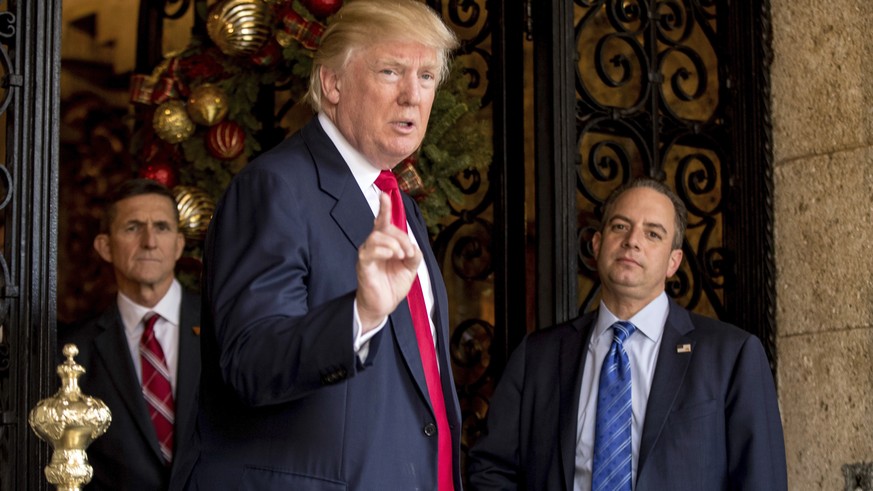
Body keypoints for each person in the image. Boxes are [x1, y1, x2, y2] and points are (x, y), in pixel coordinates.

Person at [185, 1, 462, 489]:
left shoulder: (400, 205)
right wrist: (361, 315)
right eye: (390, 71)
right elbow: (249, 361)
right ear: (332, 84)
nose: (412, 96)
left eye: (425, 77)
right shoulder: (274, 186)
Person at [467, 177, 788, 490]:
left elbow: (761, 480)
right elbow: (492, 468)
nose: (632, 240)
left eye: (653, 234)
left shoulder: (731, 355)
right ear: (596, 243)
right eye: (620, 226)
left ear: (673, 262)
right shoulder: (537, 356)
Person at [58, 178, 201, 491]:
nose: (149, 241)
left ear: (178, 245)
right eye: (133, 227)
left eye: (162, 227)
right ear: (105, 247)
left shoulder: (222, 327)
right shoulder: (73, 349)